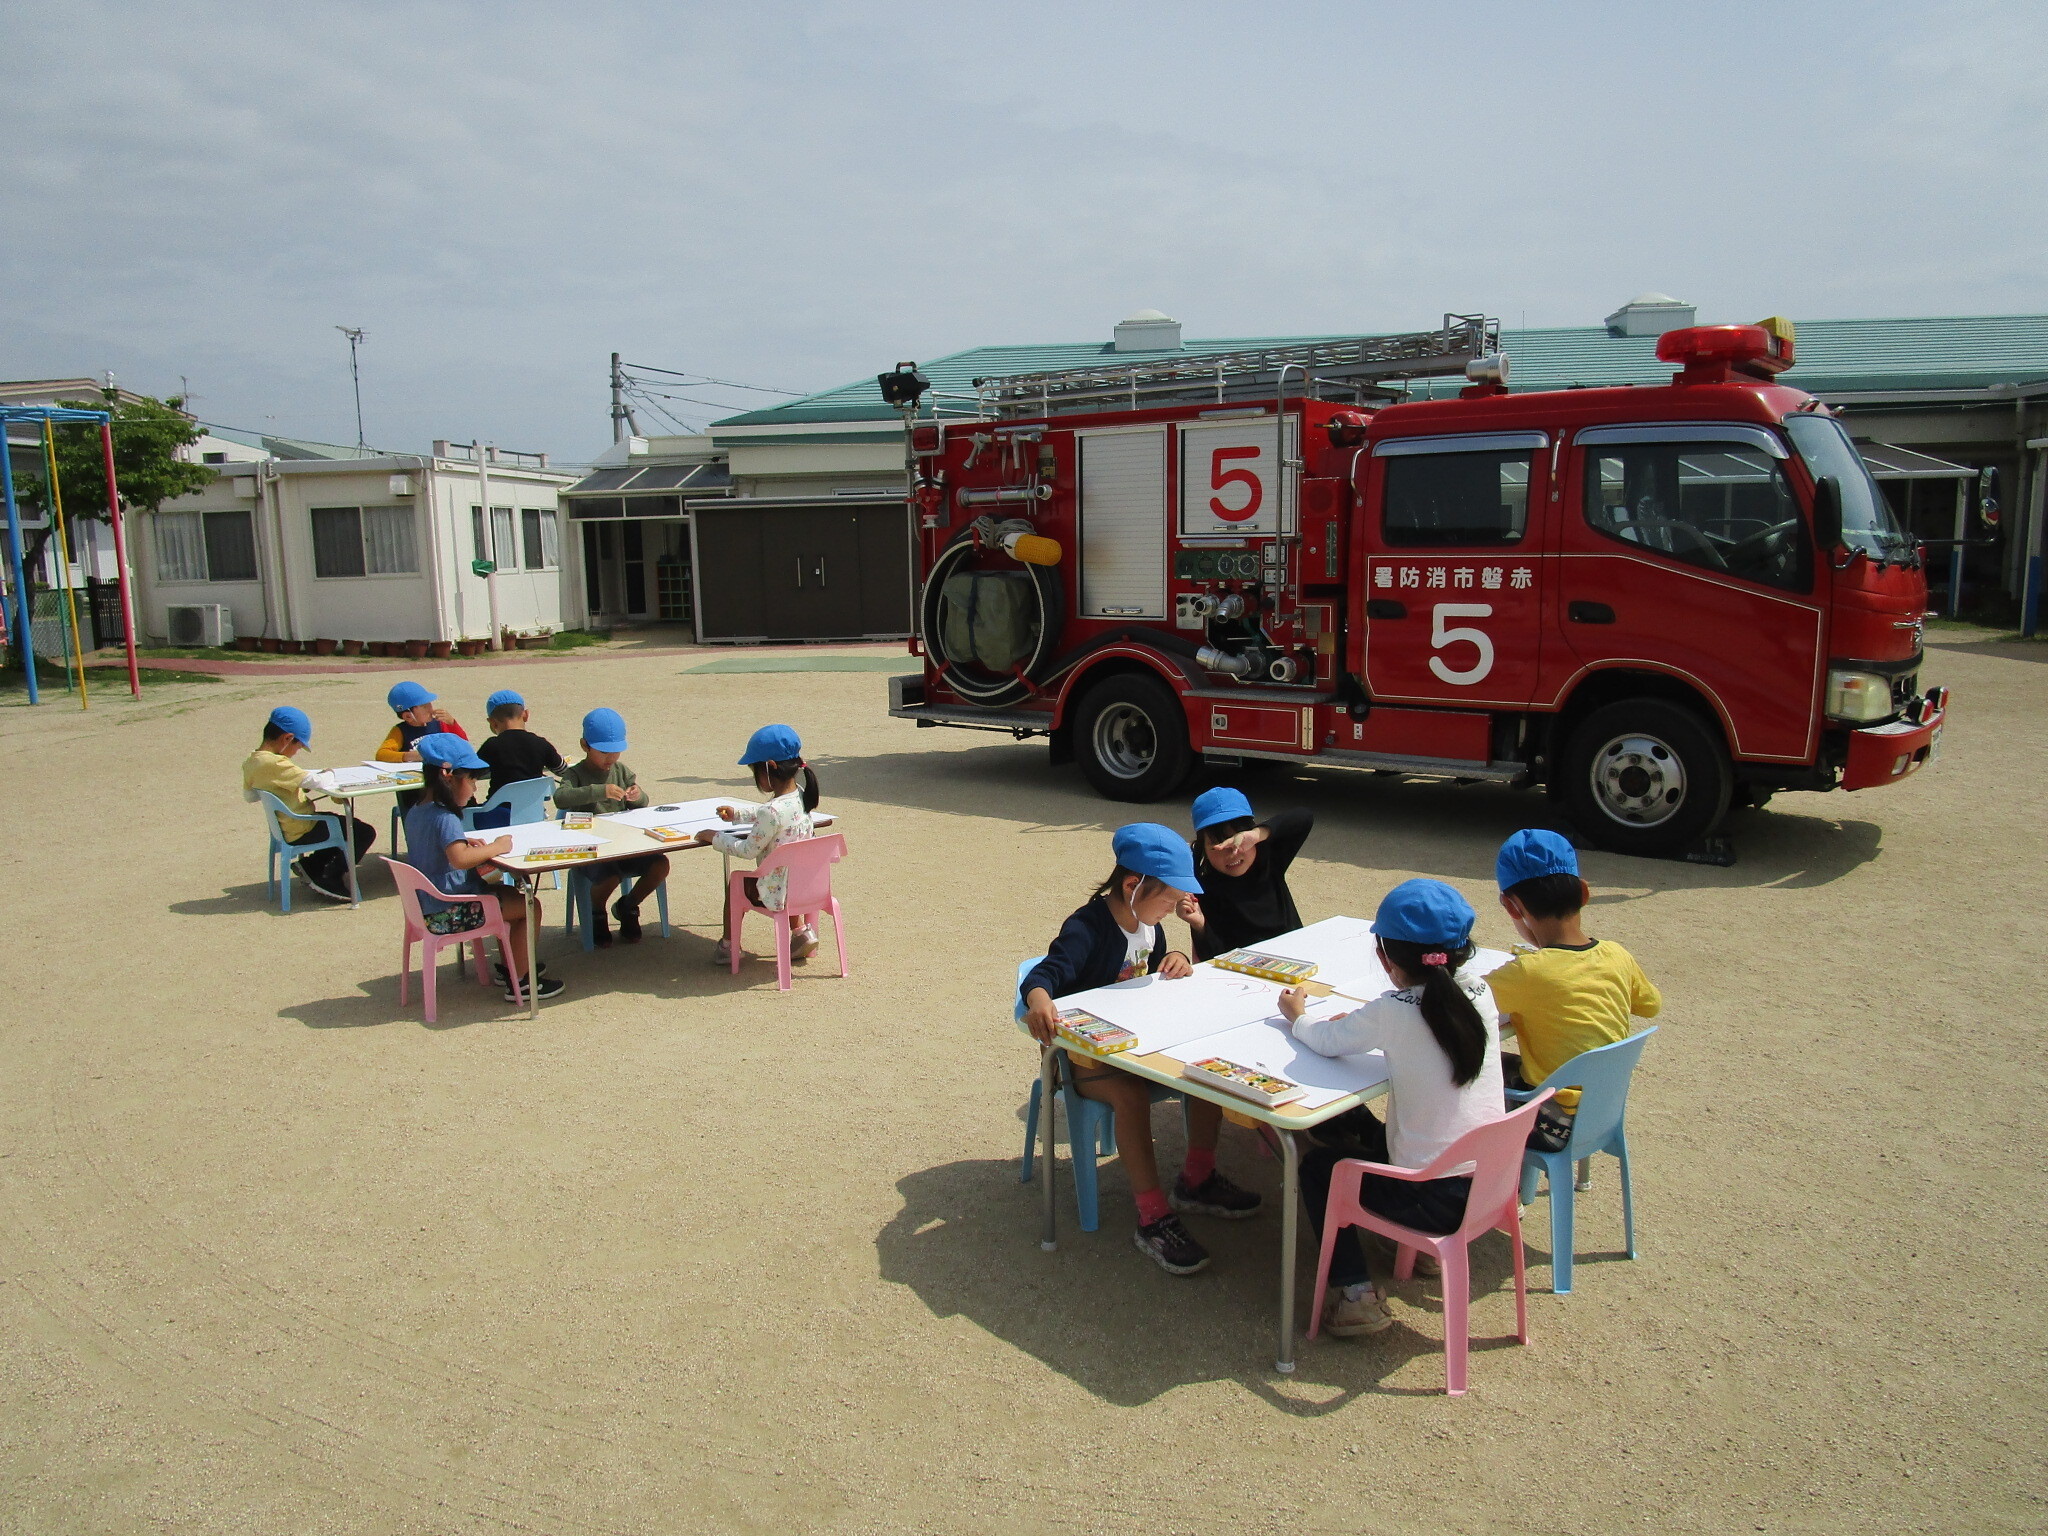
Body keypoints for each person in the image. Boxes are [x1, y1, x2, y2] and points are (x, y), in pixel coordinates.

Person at [1020, 824, 1262, 1277]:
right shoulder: (1087, 927)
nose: (1173, 910)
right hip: (1082, 1062)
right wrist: (1037, 1000)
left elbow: (1152, 976)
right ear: (1133, 885)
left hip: (1136, 1049)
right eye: (1168, 900)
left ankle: (1197, 1178)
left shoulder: (1149, 927)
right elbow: (1042, 976)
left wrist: (1180, 962)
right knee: (1130, 1098)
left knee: (1203, 1070)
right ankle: (1152, 1216)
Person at [1278, 878, 1504, 1336]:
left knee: (1321, 1167)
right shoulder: (1480, 993)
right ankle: (1418, 1254)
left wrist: (1296, 1013)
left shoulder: (1393, 1010)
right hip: (1490, 1185)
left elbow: (1326, 1040)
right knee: (1367, 1127)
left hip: (1431, 1200)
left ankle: (1355, 1296)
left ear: (1385, 956)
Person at [1487, 829, 1662, 1111]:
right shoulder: (1617, 955)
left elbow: (1463, 1002)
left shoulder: (1527, 973)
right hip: (1602, 1107)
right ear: (1583, 892)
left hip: (1550, 1116)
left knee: (1466, 1069)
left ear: (1511, 907)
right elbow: (1650, 1005)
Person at [403, 734, 562, 1001]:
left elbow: (437, 846)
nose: (475, 788)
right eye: (472, 779)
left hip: (426, 907)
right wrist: (496, 847)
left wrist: (462, 841)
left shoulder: (418, 810)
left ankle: (511, 965)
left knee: (506, 894)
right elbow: (459, 859)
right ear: (449, 777)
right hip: (449, 911)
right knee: (529, 906)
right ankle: (522, 981)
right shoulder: (446, 816)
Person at [695, 724, 821, 964]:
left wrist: (714, 837)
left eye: (755, 771)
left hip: (776, 891)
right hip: (803, 885)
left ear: (770, 767)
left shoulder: (771, 812)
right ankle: (801, 933)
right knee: (784, 871)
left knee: (736, 884)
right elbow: (767, 813)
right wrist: (737, 815)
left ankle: (728, 946)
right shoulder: (801, 795)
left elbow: (747, 849)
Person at [551, 707, 668, 947]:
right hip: (591, 850)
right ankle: (597, 912)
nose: (610, 758)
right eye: (604, 752)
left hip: (624, 845)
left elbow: (641, 802)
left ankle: (628, 905)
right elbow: (561, 798)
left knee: (660, 865)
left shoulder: (621, 770)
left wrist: (637, 796)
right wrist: (599, 791)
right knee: (610, 877)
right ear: (585, 746)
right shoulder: (576, 774)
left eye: (616, 752)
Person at [241, 705, 373, 903]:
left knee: (339, 822)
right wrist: (329, 773)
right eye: (298, 746)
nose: (296, 752)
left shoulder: (252, 762)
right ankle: (328, 875)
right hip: (301, 827)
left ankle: (312, 865)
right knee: (362, 831)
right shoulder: (277, 763)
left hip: (284, 827)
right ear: (287, 738)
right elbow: (318, 781)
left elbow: (250, 796)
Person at [1179, 787, 1314, 962]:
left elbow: (1304, 816)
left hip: (1293, 959)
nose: (1232, 853)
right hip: (1245, 974)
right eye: (1217, 845)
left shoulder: (1270, 861)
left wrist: (1258, 834)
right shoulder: (1203, 889)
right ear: (1202, 849)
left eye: (1237, 840)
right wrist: (1199, 925)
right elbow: (1211, 957)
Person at [473, 689, 565, 826]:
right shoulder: (541, 744)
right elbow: (562, 770)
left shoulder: (491, 746)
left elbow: (471, 774)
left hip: (496, 816)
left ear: (492, 722)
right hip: (533, 814)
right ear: (526, 715)